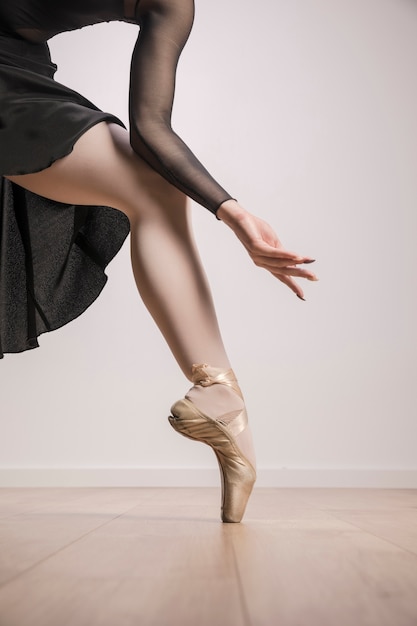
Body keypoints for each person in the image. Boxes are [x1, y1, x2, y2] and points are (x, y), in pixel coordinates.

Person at [0, 0, 318, 522]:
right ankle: (224, 402)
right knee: (153, 188)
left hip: (23, 76)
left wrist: (233, 214)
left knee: (156, 187)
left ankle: (222, 400)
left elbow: (151, 128)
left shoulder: (172, 4)